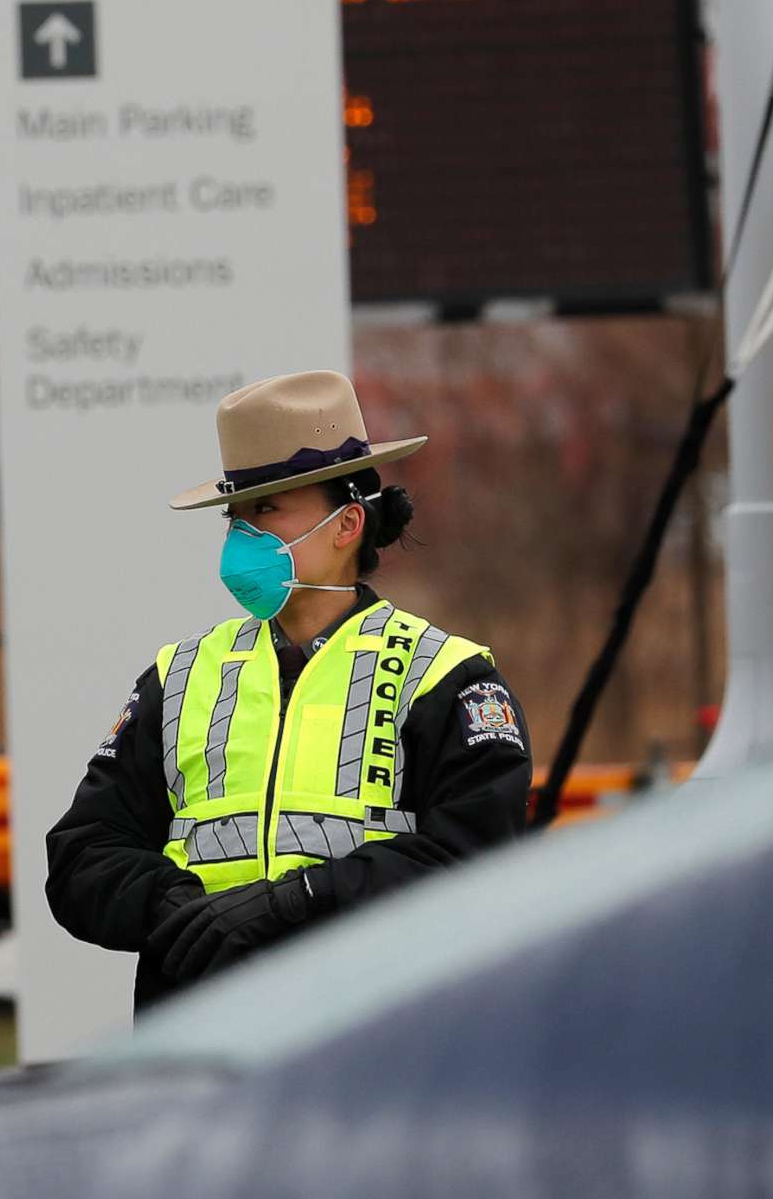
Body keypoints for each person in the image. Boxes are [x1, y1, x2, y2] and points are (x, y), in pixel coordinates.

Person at [46, 370, 531, 1015]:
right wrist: (171, 905)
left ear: (347, 523)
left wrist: (295, 902)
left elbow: (476, 861)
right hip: (203, 1044)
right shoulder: (180, 675)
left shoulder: (447, 677)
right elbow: (82, 853)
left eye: (266, 510)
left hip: (374, 1040)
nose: (241, 536)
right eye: (234, 515)